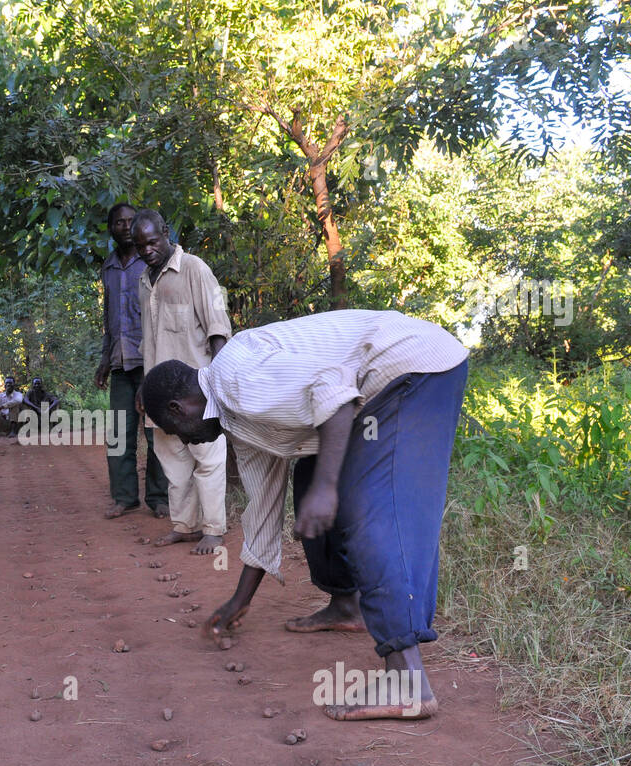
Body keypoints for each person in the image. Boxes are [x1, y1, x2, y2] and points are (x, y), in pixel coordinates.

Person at [140, 310, 470, 720]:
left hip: (411, 368)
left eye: (175, 432)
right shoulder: (237, 420)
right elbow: (262, 509)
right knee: (312, 475)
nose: (186, 441)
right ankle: (346, 605)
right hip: (381, 387)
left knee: (372, 510)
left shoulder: (235, 381)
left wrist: (330, 490)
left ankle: (408, 680)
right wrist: (237, 603)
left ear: (178, 409)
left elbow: (333, 390)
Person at [133, 209, 230, 555]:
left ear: (166, 232)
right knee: (173, 463)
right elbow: (149, 342)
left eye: (152, 242)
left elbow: (218, 328)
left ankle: (214, 530)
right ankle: (185, 526)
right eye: (139, 246)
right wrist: (145, 389)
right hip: (161, 397)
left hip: (196, 394)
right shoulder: (144, 282)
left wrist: (217, 385)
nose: (146, 250)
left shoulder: (195, 269)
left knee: (208, 460)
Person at [95, 202, 168, 520]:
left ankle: (159, 497)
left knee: (156, 431)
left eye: (130, 222)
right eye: (119, 223)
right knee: (118, 432)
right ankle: (124, 497)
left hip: (150, 360)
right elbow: (108, 315)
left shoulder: (151, 260)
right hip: (120, 362)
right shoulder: (108, 267)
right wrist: (103, 360)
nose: (125, 227)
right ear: (110, 228)